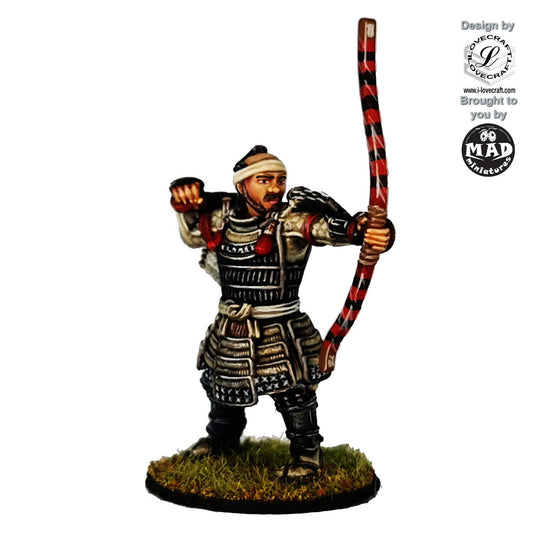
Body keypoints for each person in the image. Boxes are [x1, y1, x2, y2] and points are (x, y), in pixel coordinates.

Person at [169, 145, 393, 480]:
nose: (275, 188)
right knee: (222, 385)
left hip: (280, 327)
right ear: (242, 185)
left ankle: (306, 452)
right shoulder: (223, 217)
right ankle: (222, 438)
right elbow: (193, 234)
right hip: (231, 323)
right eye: (265, 180)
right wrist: (185, 201)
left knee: (293, 393)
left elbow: (326, 228)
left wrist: (363, 230)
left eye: (280, 179)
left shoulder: (289, 220)